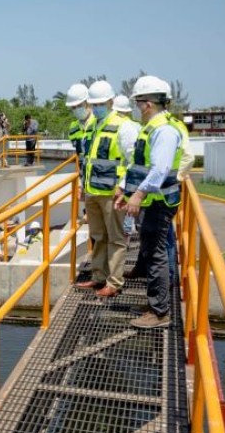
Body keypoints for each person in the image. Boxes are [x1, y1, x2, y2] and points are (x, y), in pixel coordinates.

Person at [115, 75, 184, 329]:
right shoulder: (152, 127)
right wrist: (125, 189)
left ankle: (159, 312)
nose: (137, 108)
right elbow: (139, 166)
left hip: (159, 202)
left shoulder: (164, 131)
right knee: (151, 250)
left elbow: (160, 170)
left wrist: (139, 194)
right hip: (153, 201)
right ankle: (155, 303)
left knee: (156, 255)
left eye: (138, 103)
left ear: (148, 104)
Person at [75, 80, 140, 298]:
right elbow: (89, 159)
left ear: (111, 101)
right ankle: (98, 276)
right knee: (97, 236)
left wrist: (123, 188)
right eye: (93, 104)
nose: (96, 107)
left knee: (115, 238)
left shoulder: (125, 126)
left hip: (113, 194)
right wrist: (83, 185)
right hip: (93, 192)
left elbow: (135, 161)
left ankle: (114, 282)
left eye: (101, 103)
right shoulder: (93, 125)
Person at [66, 84, 96, 161]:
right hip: (82, 169)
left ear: (88, 103)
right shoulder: (73, 127)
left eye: (79, 105)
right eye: (73, 107)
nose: (76, 109)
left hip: (98, 170)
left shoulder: (98, 122)